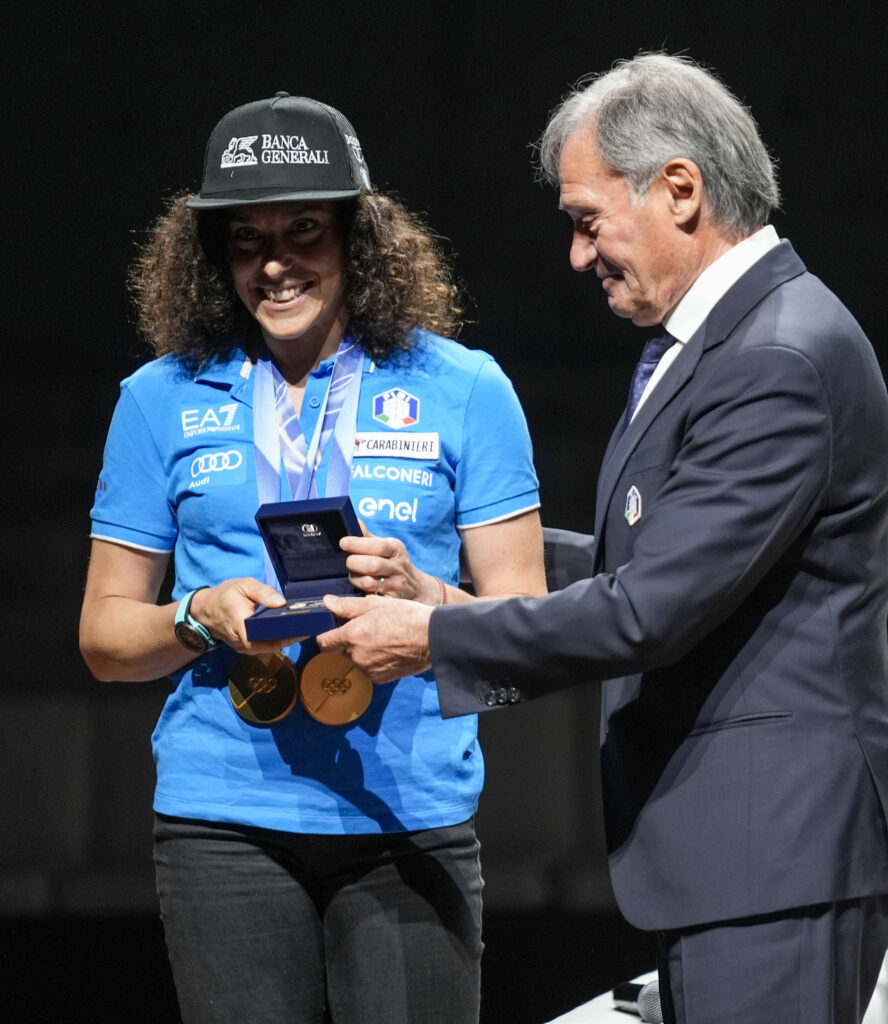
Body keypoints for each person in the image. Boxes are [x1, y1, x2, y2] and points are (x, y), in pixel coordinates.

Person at [318, 54, 888, 1023]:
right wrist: (466, 577)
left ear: (680, 190)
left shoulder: (773, 354)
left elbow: (653, 608)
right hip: (745, 856)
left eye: (585, 219)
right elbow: (667, 555)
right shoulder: (724, 339)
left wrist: (431, 641)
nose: (576, 254)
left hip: (780, 853)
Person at [79, 92, 546, 1024]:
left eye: (305, 231)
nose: (275, 263)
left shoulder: (463, 388)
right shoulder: (156, 399)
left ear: (358, 241)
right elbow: (102, 638)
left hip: (408, 818)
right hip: (222, 822)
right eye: (246, 240)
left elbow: (529, 647)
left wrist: (429, 603)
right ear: (213, 257)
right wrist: (193, 615)